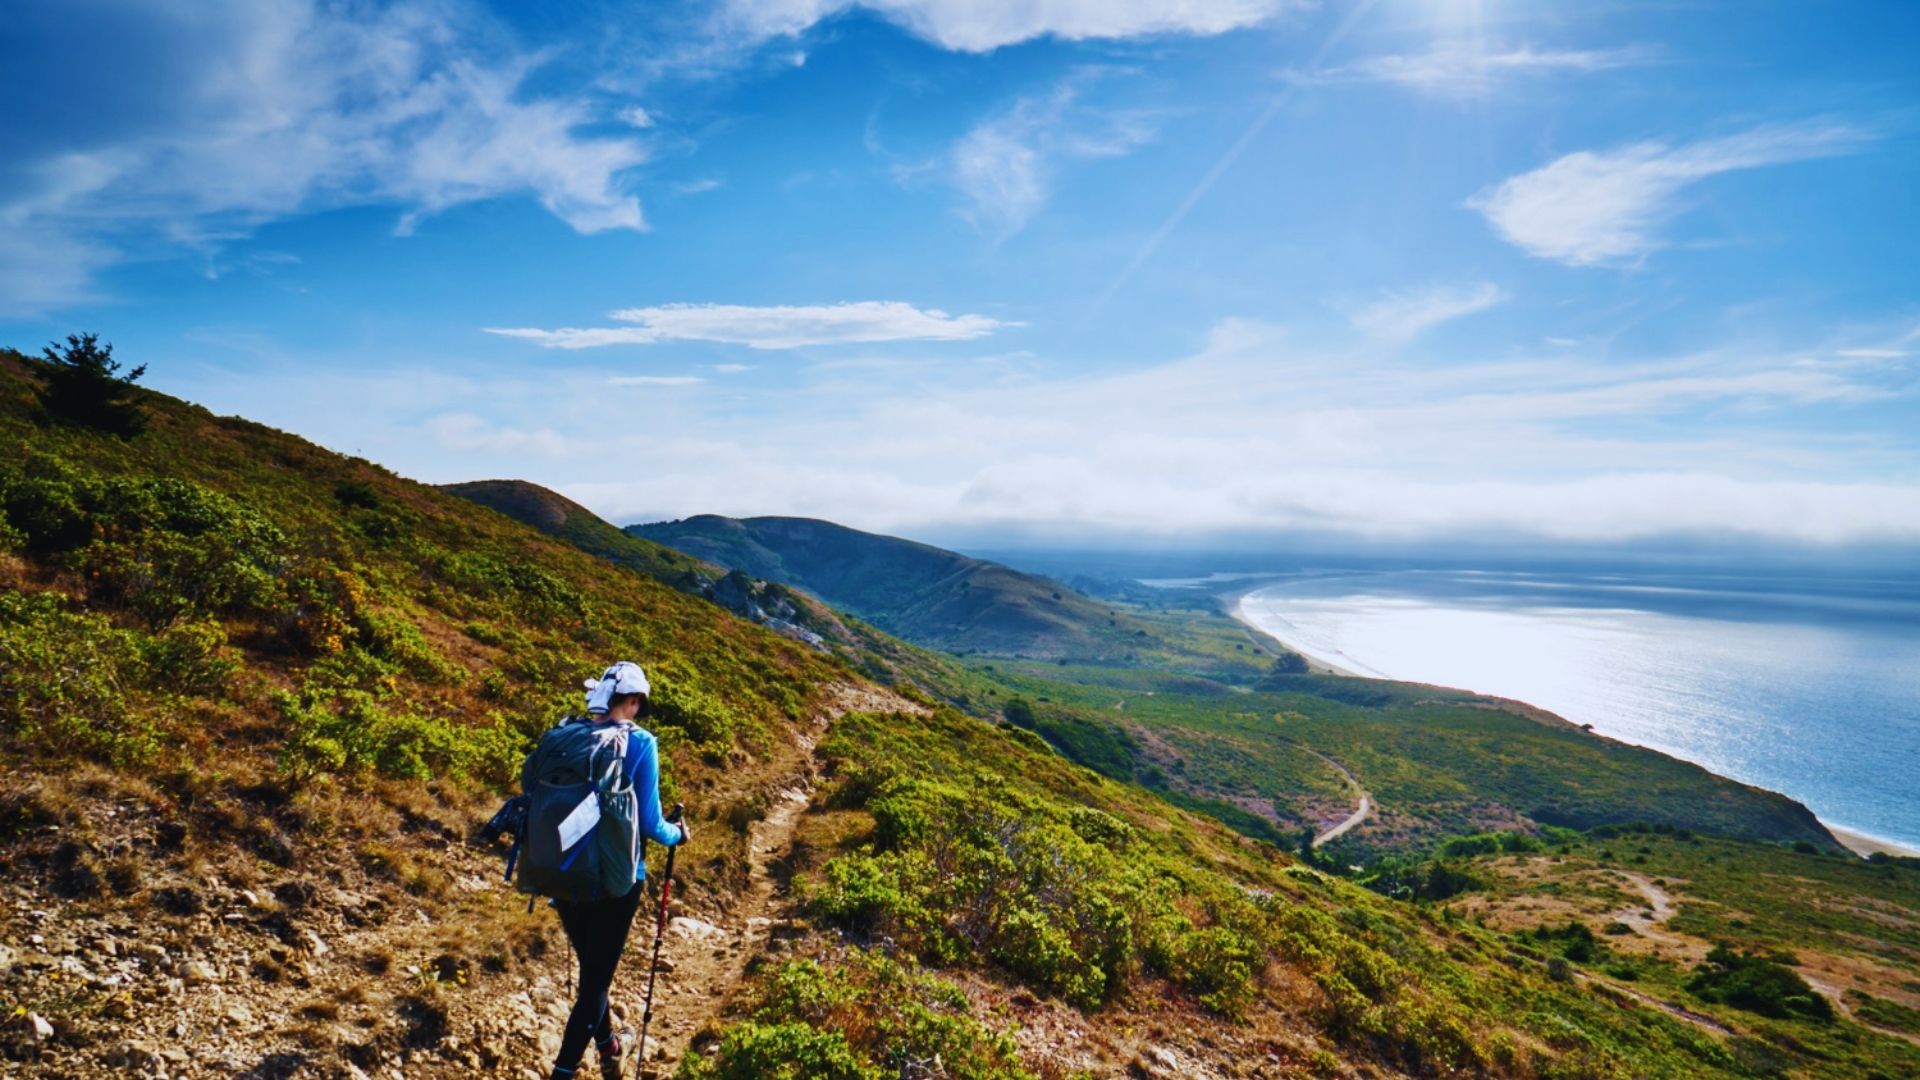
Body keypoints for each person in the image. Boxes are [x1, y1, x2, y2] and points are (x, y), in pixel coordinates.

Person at [549, 661, 687, 1080]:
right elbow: (650, 823)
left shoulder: (564, 733)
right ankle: (564, 1071)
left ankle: (610, 1048)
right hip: (617, 879)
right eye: (638, 702)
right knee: (595, 983)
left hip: (560, 871)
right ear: (633, 701)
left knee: (593, 970)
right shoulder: (640, 744)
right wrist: (677, 835)